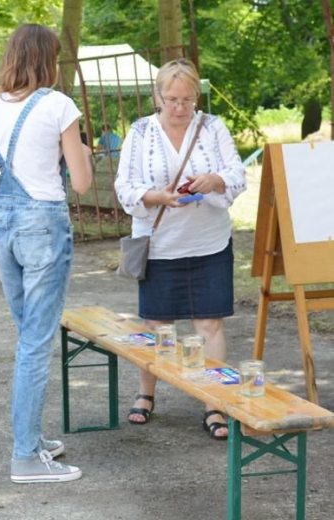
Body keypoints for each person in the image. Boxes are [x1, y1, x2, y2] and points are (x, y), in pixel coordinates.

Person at [0, 24, 93, 483]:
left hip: (3, 224)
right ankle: (24, 456)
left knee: (29, 337)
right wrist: (79, 150)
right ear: (48, 60)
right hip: (43, 223)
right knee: (36, 343)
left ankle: (31, 438)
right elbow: (81, 183)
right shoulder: (58, 105)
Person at [113, 58, 246, 440]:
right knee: (157, 324)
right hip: (160, 244)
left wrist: (215, 179)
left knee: (209, 323)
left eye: (186, 99)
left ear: (196, 97)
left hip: (208, 242)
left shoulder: (213, 127)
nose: (178, 108)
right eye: (171, 99)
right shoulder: (140, 132)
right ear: (158, 96)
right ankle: (146, 392)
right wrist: (155, 196)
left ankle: (214, 402)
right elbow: (125, 187)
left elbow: (237, 173)